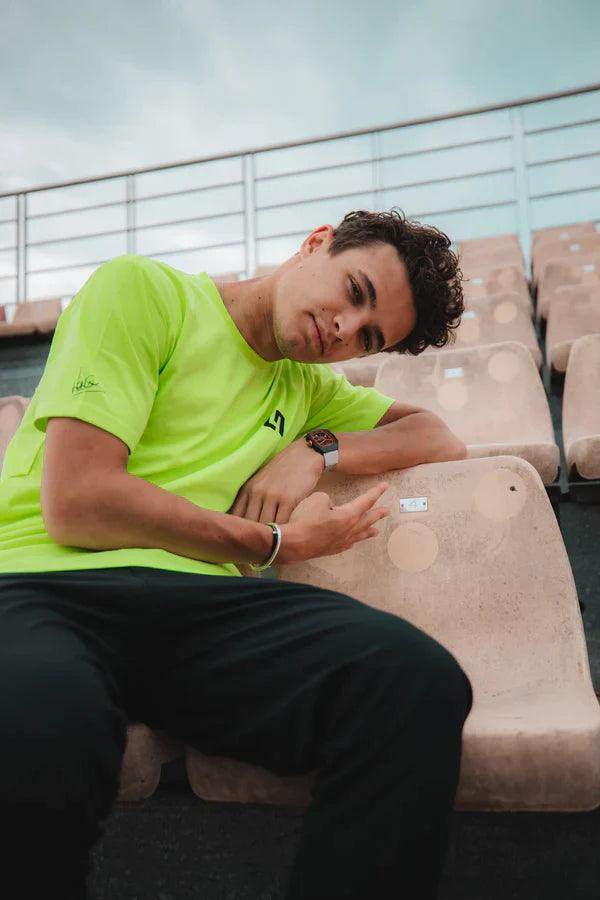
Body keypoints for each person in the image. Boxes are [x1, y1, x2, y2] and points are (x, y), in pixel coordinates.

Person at [0, 208, 472, 899]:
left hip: (199, 607)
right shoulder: (143, 291)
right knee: (45, 723)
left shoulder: (308, 391)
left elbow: (438, 435)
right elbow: (80, 502)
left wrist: (316, 449)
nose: (344, 329)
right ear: (316, 243)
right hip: (43, 583)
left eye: (368, 336)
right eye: (355, 291)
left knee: (413, 680)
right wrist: (272, 542)